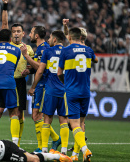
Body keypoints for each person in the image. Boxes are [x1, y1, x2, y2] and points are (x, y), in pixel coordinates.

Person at [0, 0, 34, 146]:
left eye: (19, 31)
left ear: (23, 34)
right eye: (14, 31)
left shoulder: (28, 48)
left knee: (20, 114)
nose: (16, 33)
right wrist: (5, 5)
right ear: (11, 34)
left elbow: (34, 66)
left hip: (20, 83)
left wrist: (28, 70)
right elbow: (4, 22)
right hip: (6, 81)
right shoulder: (7, 44)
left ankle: (17, 143)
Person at [57, 27, 98, 162]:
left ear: (69, 37)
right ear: (81, 37)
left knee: (73, 124)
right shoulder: (89, 50)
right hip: (85, 91)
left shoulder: (65, 51)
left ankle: (85, 149)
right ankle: (75, 155)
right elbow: (96, 60)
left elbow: (59, 73)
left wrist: (66, 82)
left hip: (71, 91)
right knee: (81, 123)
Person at [20, 26, 61, 152]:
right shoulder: (41, 48)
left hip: (43, 85)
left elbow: (42, 68)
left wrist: (26, 56)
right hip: (40, 85)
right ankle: (55, 138)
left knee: (37, 115)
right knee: (36, 116)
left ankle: (41, 147)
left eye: (32, 32)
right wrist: (30, 70)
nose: (30, 34)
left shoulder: (44, 49)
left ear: (36, 36)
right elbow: (38, 67)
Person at [28, 30, 69, 155]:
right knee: (63, 121)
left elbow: (40, 71)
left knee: (46, 119)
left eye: (50, 38)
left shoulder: (48, 51)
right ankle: (63, 151)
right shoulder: (68, 51)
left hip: (50, 90)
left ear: (55, 40)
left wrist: (33, 86)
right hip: (64, 91)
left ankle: (44, 150)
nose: (48, 40)